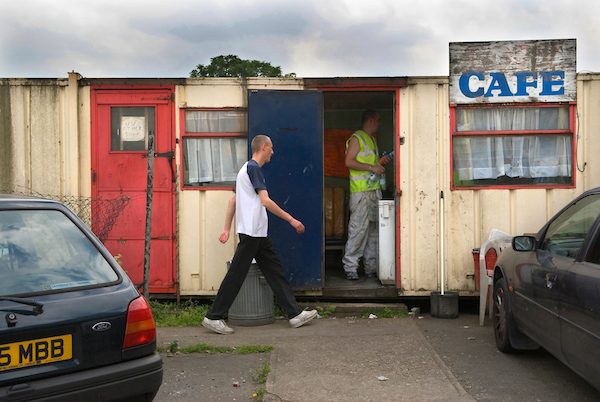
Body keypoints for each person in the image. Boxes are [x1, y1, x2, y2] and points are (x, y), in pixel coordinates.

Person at [203, 135, 318, 334]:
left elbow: (233, 201)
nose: (273, 152)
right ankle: (213, 317)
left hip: (257, 234)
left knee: (275, 272)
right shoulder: (254, 169)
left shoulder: (245, 170)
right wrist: (291, 220)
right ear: (263, 147)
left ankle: (294, 314)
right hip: (252, 233)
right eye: (271, 147)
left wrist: (226, 229)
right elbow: (265, 201)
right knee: (236, 275)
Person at [342, 109, 391, 280]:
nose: (380, 123)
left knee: (373, 232)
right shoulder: (358, 138)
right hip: (361, 192)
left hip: (372, 191)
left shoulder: (371, 140)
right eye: (378, 120)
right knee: (358, 230)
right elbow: (349, 162)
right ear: (370, 120)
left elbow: (369, 164)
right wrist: (373, 167)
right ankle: (350, 267)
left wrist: (379, 163)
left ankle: (371, 267)